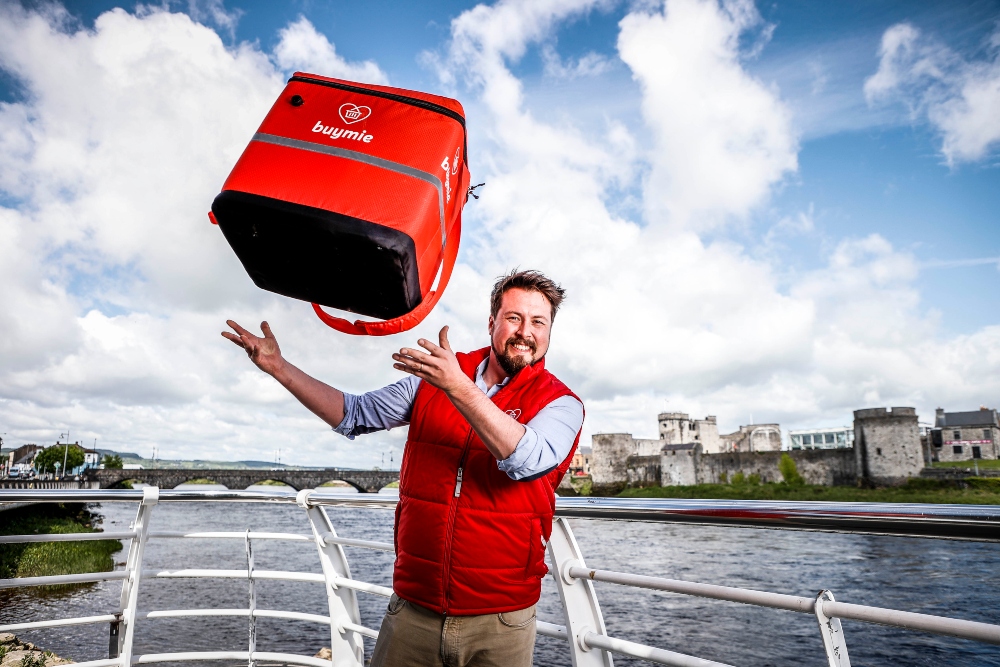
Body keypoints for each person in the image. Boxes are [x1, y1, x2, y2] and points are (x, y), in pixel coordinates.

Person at [223, 269, 584, 667]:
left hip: (501, 621)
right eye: (514, 317)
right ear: (492, 322)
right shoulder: (434, 377)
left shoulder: (561, 403)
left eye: (538, 322)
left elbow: (526, 460)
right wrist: (280, 368)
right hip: (415, 610)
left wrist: (458, 386)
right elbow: (354, 414)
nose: (525, 331)